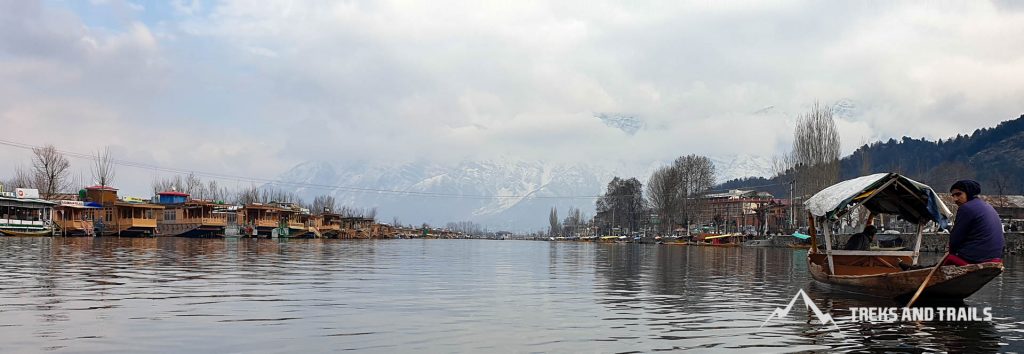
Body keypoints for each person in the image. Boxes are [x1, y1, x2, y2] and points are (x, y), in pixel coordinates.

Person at [944, 180, 1005, 265]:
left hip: (976, 258)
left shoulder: (965, 208)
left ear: (969, 193)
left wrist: (952, 253)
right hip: (996, 257)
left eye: (958, 194)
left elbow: (955, 239)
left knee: (948, 260)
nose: (955, 199)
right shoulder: (987, 206)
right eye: (953, 196)